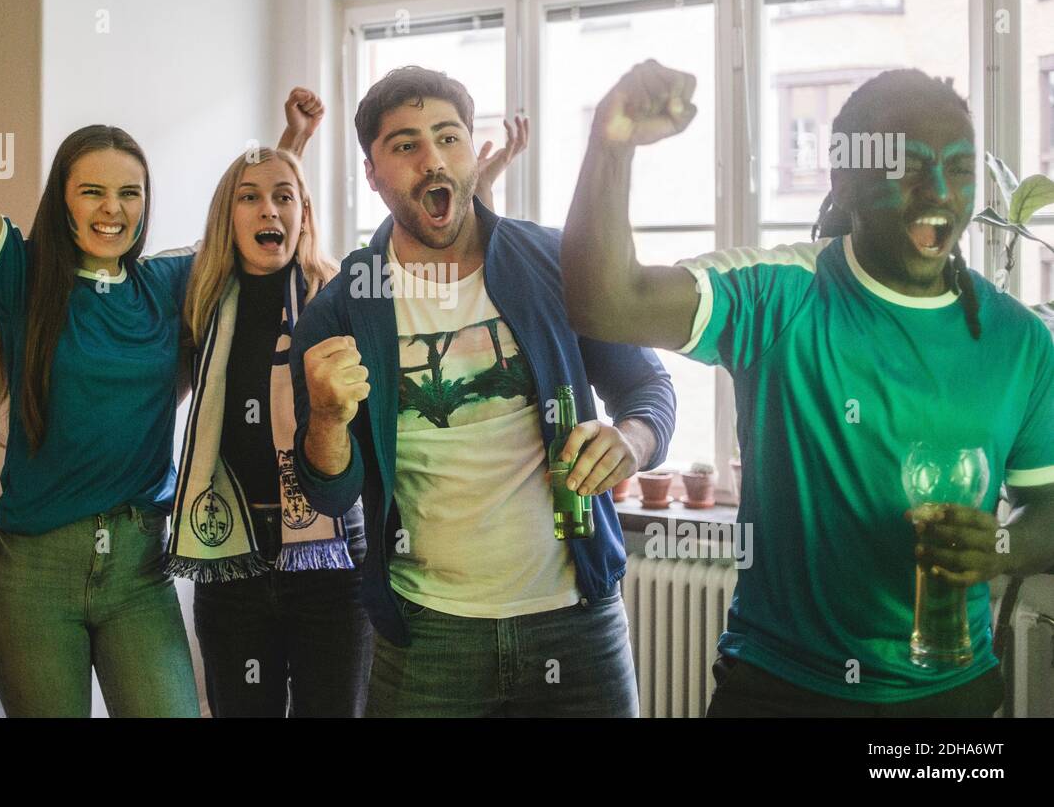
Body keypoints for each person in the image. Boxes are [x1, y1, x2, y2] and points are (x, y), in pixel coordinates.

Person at [0, 0, 317, 717]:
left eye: (129, 192)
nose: (112, 208)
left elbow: (255, 226)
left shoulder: (168, 284)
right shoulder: (24, 279)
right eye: (92, 190)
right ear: (63, 198)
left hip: (140, 567)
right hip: (35, 573)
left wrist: (288, 146)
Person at [560, 60, 1054, 716]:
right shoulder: (780, 294)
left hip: (950, 699)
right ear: (845, 182)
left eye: (960, 168)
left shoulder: (1018, 340)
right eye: (906, 164)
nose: (939, 189)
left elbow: (1045, 508)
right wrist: (612, 140)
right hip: (779, 692)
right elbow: (606, 303)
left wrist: (1001, 545)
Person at [289, 66, 676, 717]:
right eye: (405, 145)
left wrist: (631, 442)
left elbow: (648, 387)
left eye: (449, 137)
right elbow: (329, 489)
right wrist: (326, 418)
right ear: (372, 174)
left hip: (578, 619)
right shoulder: (341, 308)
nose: (433, 159)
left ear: (473, 151)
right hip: (428, 636)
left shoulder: (557, 261)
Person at [164, 134, 379, 717]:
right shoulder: (199, 302)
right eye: (249, 198)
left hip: (330, 561)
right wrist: (288, 145)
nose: (269, 209)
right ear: (225, 216)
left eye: (285, 198)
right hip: (232, 556)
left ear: (303, 213)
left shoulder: (337, 299)